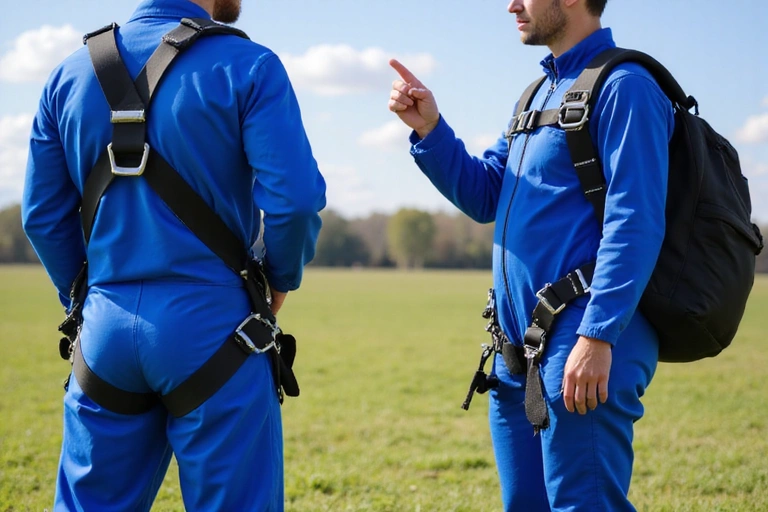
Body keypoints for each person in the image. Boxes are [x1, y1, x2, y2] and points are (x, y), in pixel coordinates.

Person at [22, 0, 326, 509]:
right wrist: (280, 278)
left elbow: (41, 215)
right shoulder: (248, 65)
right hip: (217, 332)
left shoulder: (67, 75)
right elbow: (293, 202)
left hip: (103, 334)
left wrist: (82, 299)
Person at [388, 0, 673, 510]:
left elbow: (637, 220)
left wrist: (597, 335)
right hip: (516, 350)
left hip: (584, 342)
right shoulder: (537, 94)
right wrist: (431, 130)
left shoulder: (625, 87)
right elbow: (485, 194)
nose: (511, 4)